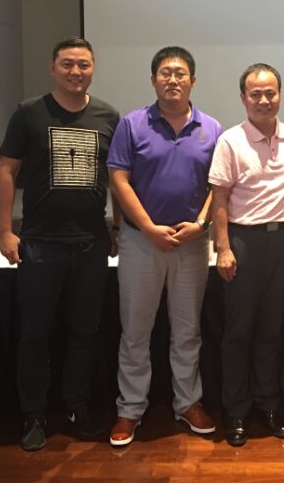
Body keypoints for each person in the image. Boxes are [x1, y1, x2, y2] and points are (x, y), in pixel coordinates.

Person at [0, 36, 121, 451]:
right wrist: (4, 231)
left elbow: (118, 177)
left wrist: (117, 227)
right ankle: (33, 413)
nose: (75, 72)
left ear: (93, 69)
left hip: (91, 243)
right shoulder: (28, 113)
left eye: (83, 64)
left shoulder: (108, 116)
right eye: (67, 64)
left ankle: (75, 406)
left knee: (85, 331)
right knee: (35, 333)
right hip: (40, 243)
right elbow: (6, 172)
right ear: (52, 68)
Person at [107, 47, 222, 446]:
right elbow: (119, 180)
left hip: (192, 243)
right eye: (165, 73)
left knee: (188, 330)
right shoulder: (132, 124)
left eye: (180, 73)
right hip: (142, 242)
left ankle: (188, 403)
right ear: (153, 79)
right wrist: (148, 228)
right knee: (135, 332)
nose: (173, 79)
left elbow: (218, 185)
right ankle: (129, 409)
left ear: (193, 80)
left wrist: (202, 223)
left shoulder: (212, 128)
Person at [208, 63, 284, 447]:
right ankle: (235, 410)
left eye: (271, 93)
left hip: (282, 240)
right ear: (243, 98)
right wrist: (223, 248)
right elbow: (219, 199)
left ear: (280, 94)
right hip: (243, 242)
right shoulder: (230, 141)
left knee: (271, 329)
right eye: (256, 94)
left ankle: (268, 404)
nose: (264, 100)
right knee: (238, 331)